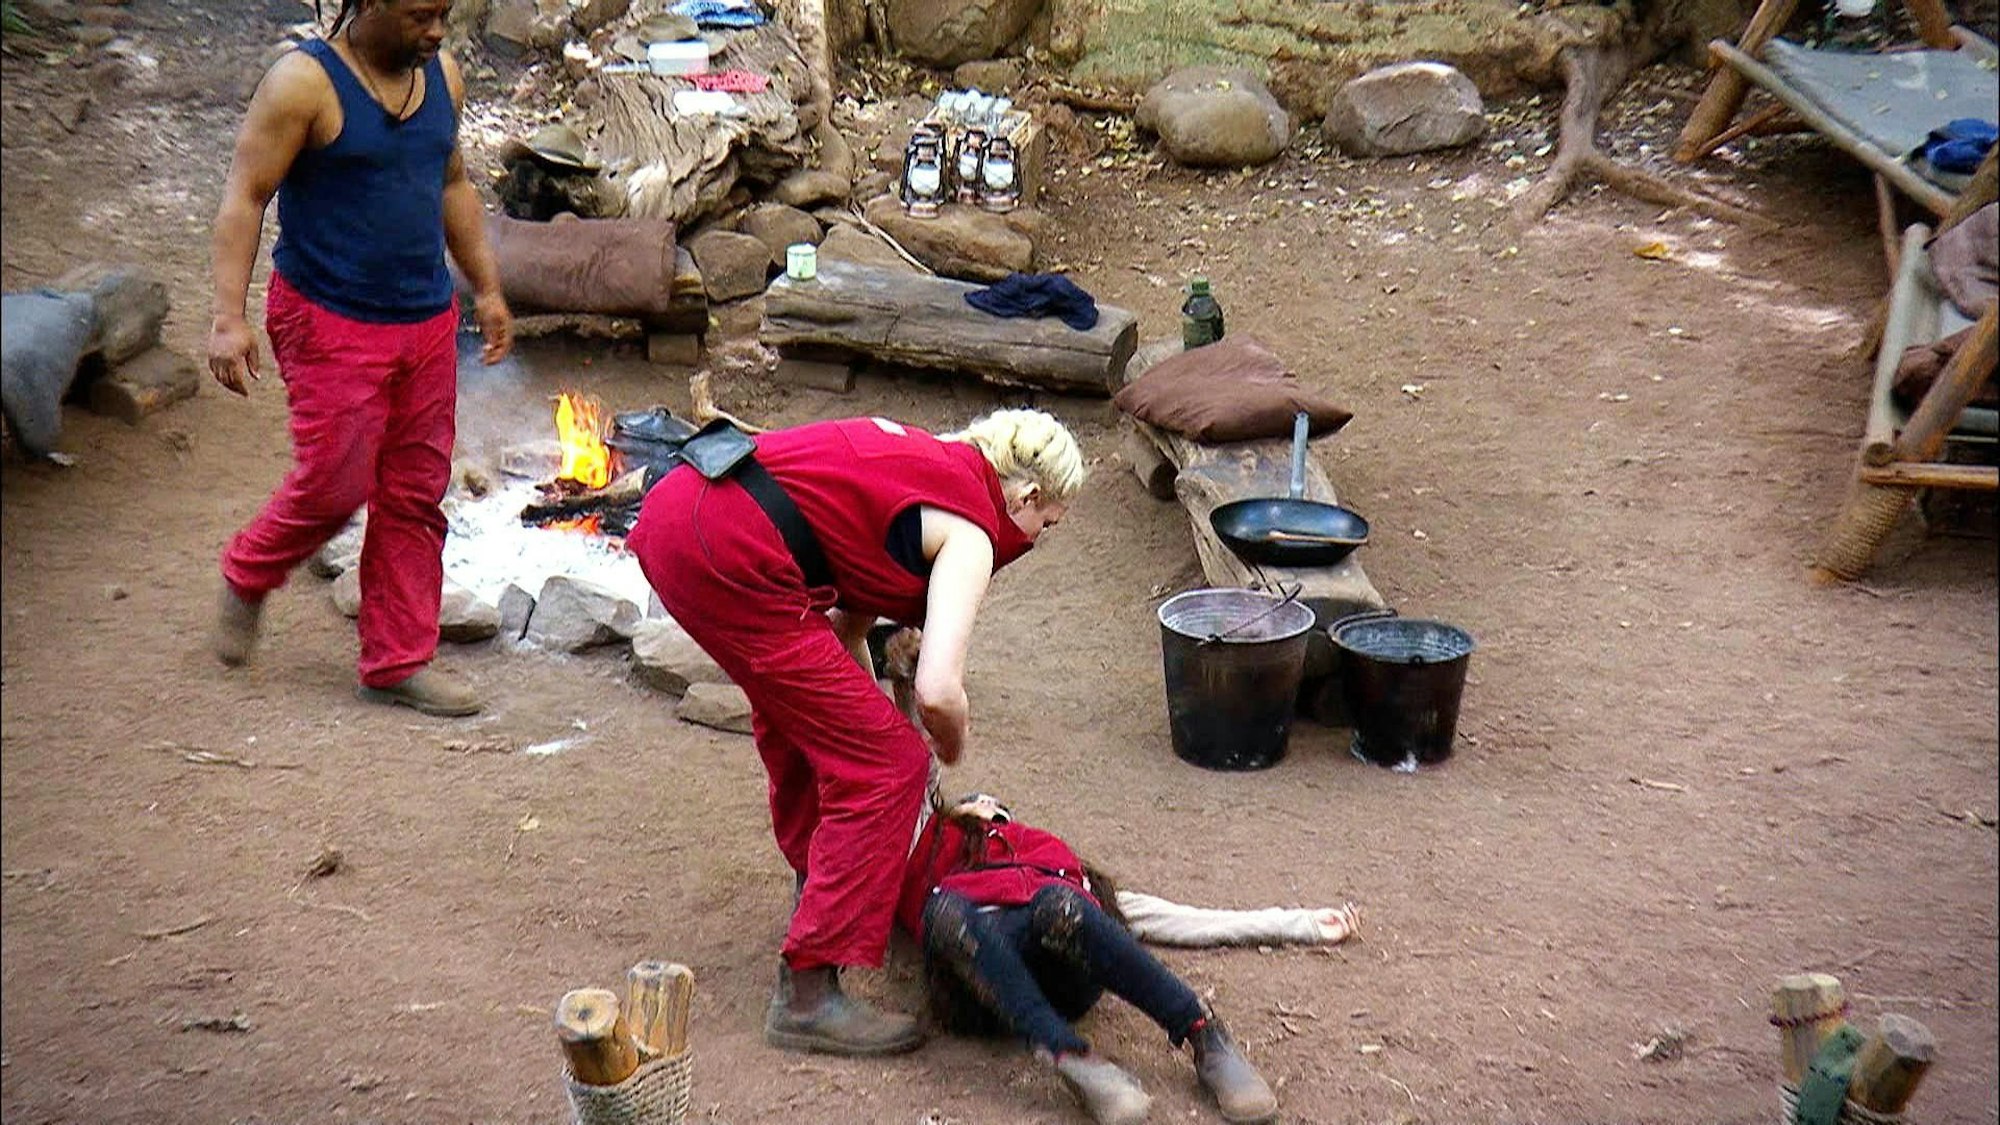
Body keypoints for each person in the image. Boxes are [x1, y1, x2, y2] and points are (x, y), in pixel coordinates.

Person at [625, 409, 1083, 1056]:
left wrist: (869, 715)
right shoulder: (975, 529)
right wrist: (944, 753)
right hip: (730, 549)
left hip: (686, 514)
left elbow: (845, 632)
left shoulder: (926, 464)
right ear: (1028, 496)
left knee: (819, 732)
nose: (1038, 539)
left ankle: (817, 895)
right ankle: (807, 995)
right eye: (1047, 524)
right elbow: (938, 690)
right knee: (889, 764)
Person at [206, 0, 513, 717]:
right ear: (367, 3)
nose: (436, 30)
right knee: (338, 481)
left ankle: (397, 660)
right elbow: (246, 196)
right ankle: (249, 572)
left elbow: (452, 184)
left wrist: (488, 288)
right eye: (418, 15)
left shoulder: (443, 75)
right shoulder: (303, 85)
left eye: (443, 12)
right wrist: (228, 318)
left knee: (413, 490)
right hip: (328, 319)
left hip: (426, 320)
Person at [898, 793, 1278, 1125]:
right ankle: (1070, 1054)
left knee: (1059, 906)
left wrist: (1300, 923)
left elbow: (1138, 917)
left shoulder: (1041, 846)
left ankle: (1204, 1033)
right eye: (974, 801)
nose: (985, 806)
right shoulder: (934, 855)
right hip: (978, 980)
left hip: (1060, 960)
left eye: (993, 804)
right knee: (946, 912)